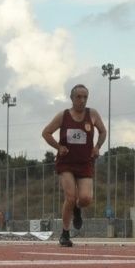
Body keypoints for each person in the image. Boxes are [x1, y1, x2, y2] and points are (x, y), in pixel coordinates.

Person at [41, 83, 107, 248]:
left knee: (85, 198)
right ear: (71, 98)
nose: (82, 100)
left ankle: (77, 208)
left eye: (85, 97)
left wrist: (97, 146)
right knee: (70, 197)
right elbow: (46, 132)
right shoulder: (63, 116)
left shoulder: (92, 114)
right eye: (78, 97)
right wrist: (58, 147)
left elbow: (103, 131)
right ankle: (65, 233)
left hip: (85, 162)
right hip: (66, 163)